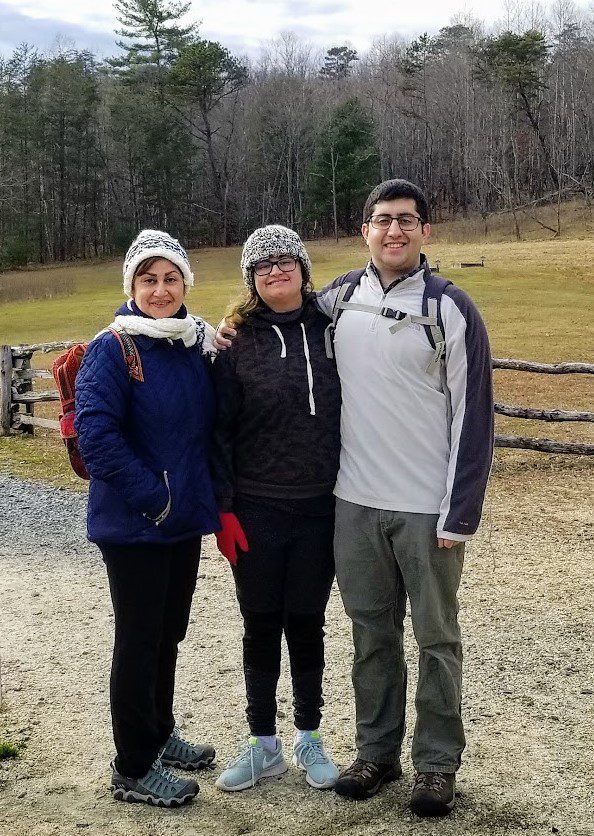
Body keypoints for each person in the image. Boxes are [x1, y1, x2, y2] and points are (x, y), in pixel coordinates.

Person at [216, 180, 493, 816]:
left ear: (425, 231)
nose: (394, 232)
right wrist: (226, 330)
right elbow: (269, 314)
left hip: (427, 506)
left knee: (436, 638)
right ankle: (376, 753)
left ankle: (435, 764)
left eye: (406, 221)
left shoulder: (450, 307)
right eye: (381, 221)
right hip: (353, 501)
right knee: (371, 633)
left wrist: (461, 509)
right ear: (364, 230)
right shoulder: (338, 299)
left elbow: (474, 415)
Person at [75, 229, 220, 808]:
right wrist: (154, 500)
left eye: (170, 278)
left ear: (185, 282)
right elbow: (96, 438)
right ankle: (133, 766)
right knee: (139, 641)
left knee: (168, 635)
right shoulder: (113, 348)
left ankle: (158, 733)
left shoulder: (191, 342)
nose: (160, 291)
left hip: (179, 520)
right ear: (131, 286)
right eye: (148, 279)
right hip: (138, 524)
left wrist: (179, 506)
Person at [210, 225, 342, 792]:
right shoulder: (235, 342)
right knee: (260, 621)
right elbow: (216, 431)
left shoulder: (337, 326)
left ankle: (309, 734)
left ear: (304, 268)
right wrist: (224, 508)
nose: (275, 271)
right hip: (257, 508)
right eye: (262, 267)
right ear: (251, 280)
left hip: (321, 506)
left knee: (307, 621)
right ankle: (262, 740)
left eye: (285, 261)